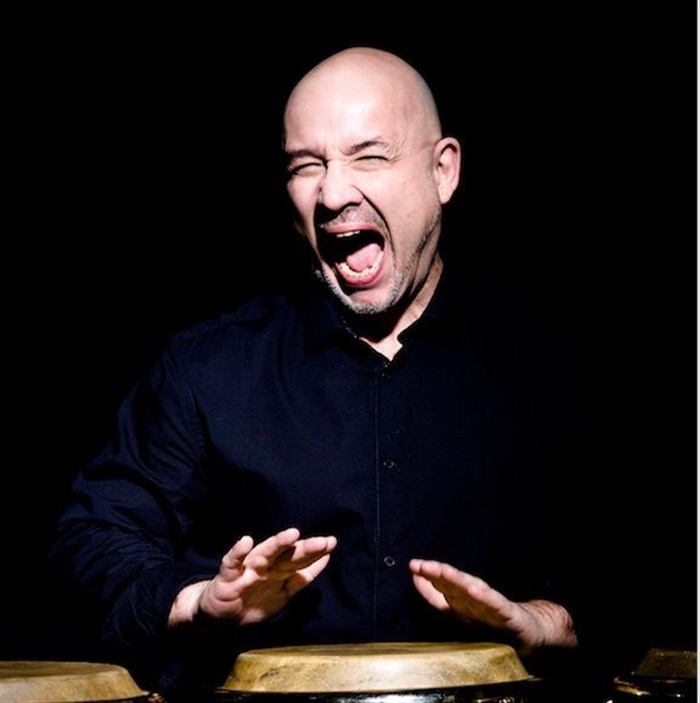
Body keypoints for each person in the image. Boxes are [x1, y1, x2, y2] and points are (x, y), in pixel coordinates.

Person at [48, 46, 601, 702]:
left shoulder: (550, 367)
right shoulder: (208, 368)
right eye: (307, 165)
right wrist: (196, 601)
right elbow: (90, 538)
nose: (332, 194)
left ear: (443, 170)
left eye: (369, 156)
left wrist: (550, 619)